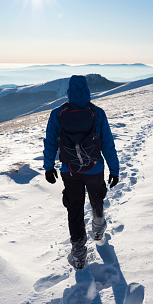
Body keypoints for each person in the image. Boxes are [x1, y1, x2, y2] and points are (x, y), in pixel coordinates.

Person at [43, 75, 119, 269]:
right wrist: (114, 170)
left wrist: (49, 167)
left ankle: (78, 255)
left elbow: (51, 142)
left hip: (70, 171)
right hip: (95, 169)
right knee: (97, 199)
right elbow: (108, 145)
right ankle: (98, 229)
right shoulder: (97, 113)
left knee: (75, 210)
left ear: (68, 91)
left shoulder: (57, 114)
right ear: (87, 90)